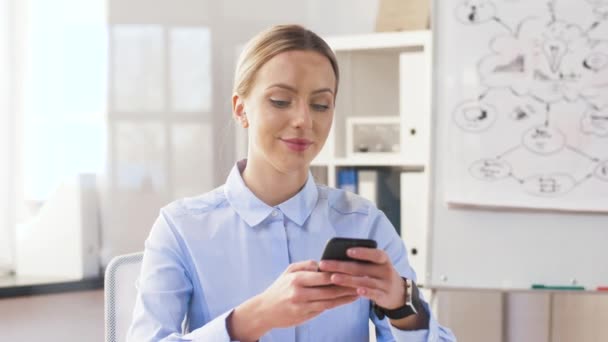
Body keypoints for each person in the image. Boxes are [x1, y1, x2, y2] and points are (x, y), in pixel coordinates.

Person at [127, 24, 456, 342]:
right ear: (241, 109)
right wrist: (255, 318)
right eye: (281, 101)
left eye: (320, 105)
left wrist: (401, 303)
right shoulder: (181, 227)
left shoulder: (364, 223)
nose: (303, 120)